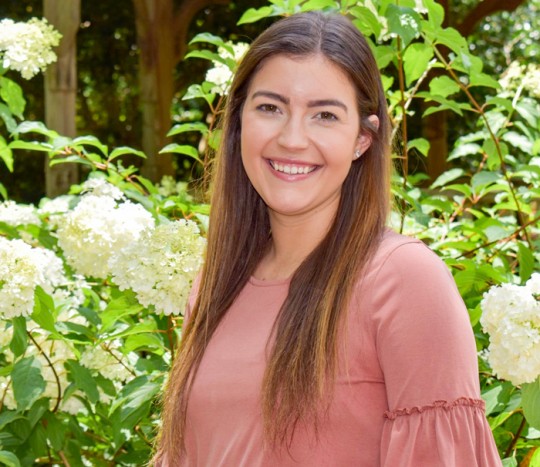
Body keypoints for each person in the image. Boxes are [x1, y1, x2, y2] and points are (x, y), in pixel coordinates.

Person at [154, 11, 501, 466]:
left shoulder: (402, 280)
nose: (292, 138)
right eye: (270, 108)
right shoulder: (213, 287)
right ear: (238, 122)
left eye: (325, 115)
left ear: (362, 139)